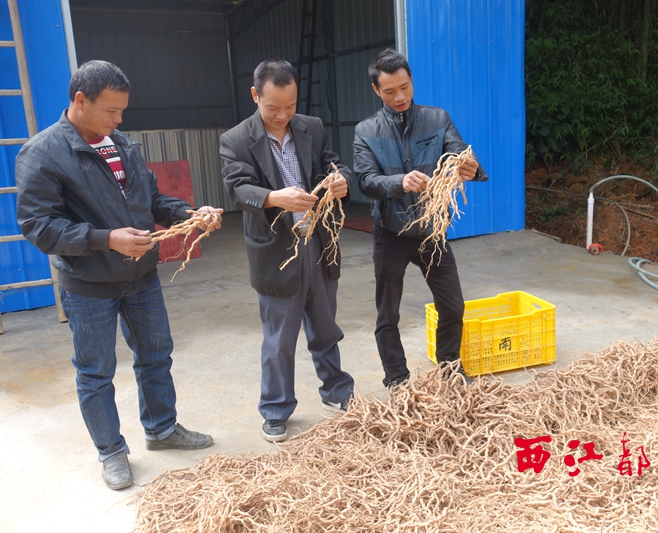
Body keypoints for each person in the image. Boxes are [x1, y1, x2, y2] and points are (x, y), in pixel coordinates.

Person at [15, 60, 223, 490]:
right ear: (80, 101)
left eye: (122, 111)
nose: (118, 119)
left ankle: (162, 429)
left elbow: (151, 197)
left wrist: (188, 213)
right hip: (89, 283)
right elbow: (39, 226)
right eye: (111, 110)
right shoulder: (43, 153)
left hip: (141, 274)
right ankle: (111, 451)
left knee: (156, 355)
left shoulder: (120, 143)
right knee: (96, 372)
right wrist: (105, 239)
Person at [219, 59, 354, 443]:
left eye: (290, 106)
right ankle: (276, 409)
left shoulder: (310, 127)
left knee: (326, 323)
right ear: (255, 95)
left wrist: (339, 179)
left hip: (318, 240)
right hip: (276, 249)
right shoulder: (235, 140)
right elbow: (239, 189)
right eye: (273, 107)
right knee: (279, 337)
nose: (282, 116)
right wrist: (275, 197)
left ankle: (337, 391)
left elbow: (332, 164)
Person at [353, 49, 489, 388]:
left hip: (432, 229)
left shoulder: (437, 119)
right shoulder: (366, 130)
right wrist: (399, 182)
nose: (399, 97)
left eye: (405, 87)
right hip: (391, 232)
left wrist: (471, 168)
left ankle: (450, 370)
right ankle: (396, 378)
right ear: (376, 90)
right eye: (389, 91)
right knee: (388, 314)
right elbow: (366, 181)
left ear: (411, 81)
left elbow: (459, 153)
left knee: (453, 306)